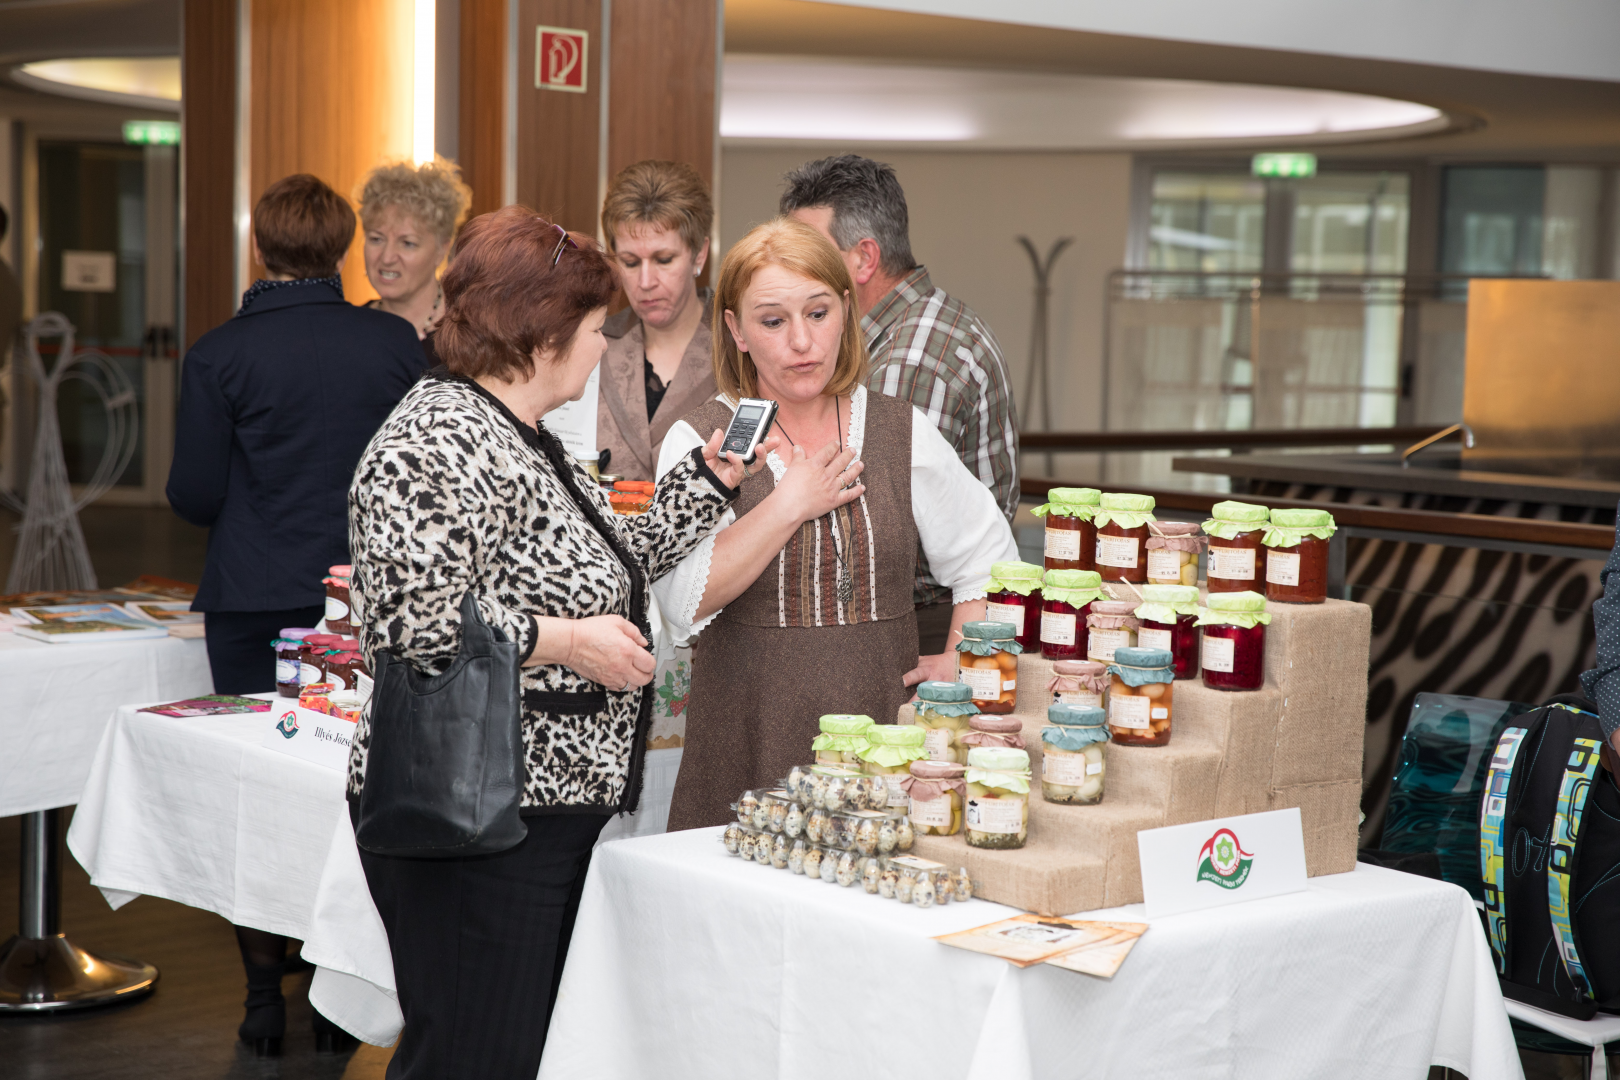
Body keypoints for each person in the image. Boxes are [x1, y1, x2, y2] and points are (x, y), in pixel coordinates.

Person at [345, 207, 761, 1078]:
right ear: (542, 335)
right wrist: (568, 643)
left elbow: (604, 561)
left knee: (509, 1049)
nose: (604, 346)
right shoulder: (437, 437)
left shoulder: (523, 434)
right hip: (474, 817)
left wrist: (708, 482)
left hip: (527, 814)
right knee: (472, 1055)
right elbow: (409, 621)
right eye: (596, 328)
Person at [166, 173, 426, 1058]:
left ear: (259, 247)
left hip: (252, 598)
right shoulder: (392, 344)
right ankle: (335, 992)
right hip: (362, 598)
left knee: (259, 786)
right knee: (349, 785)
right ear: (343, 247)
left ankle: (259, 999)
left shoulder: (219, 355)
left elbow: (195, 495)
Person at [654, 217, 1019, 830]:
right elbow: (680, 601)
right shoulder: (701, 440)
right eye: (773, 321)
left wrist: (961, 656)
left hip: (881, 743)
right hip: (747, 738)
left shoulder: (899, 430)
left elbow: (989, 557)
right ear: (736, 330)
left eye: (818, 313)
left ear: (846, 311)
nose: (803, 341)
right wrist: (788, 504)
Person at [780, 154, 1019, 657]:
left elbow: (869, 534)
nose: (790, 268)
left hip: (921, 629)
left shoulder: (906, 361)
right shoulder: (930, 325)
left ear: (864, 259)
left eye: (808, 251)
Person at [596, 160, 718, 480]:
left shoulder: (741, 343)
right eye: (630, 262)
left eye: (664, 260)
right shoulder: (592, 344)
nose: (646, 281)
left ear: (699, 254)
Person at [357, 156, 472, 362]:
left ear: (442, 248)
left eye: (407, 243)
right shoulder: (350, 330)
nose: (387, 257)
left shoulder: (470, 333)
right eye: (376, 239)